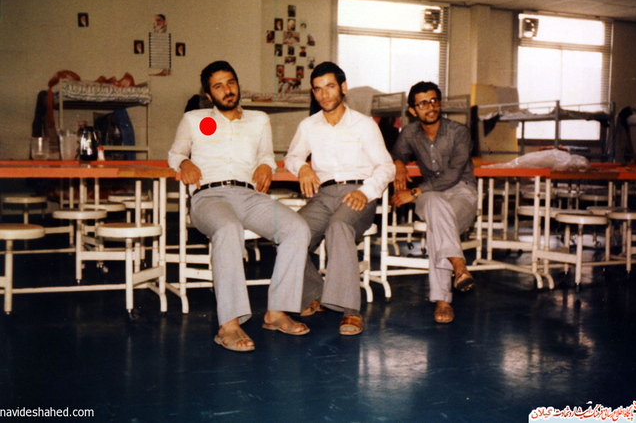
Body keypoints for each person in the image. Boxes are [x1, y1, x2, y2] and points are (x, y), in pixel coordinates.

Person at [168, 61, 311, 352]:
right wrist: (185, 162)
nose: (227, 90)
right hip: (209, 196)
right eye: (218, 86)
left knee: (297, 228)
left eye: (231, 82)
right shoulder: (194, 119)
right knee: (228, 228)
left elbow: (266, 155)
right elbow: (175, 153)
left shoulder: (259, 119)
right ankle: (229, 324)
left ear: (237, 84)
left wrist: (266, 165)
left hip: (249, 195)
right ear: (209, 94)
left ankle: (276, 312)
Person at [284, 62, 395, 336]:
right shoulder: (308, 125)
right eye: (318, 89)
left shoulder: (364, 124)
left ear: (343, 87)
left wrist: (365, 192)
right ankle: (316, 293)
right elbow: (292, 157)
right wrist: (303, 168)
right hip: (323, 195)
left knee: (339, 226)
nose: (324, 94)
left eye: (330, 86)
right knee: (289, 234)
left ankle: (350, 310)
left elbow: (386, 167)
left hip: (358, 193)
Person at [391, 81, 477, 324]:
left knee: (437, 225)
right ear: (412, 110)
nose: (430, 107)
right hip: (431, 195)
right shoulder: (409, 133)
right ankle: (459, 266)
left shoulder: (459, 132)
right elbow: (396, 153)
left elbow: (453, 174)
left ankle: (442, 301)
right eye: (422, 104)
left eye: (433, 101)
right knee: (436, 208)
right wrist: (398, 163)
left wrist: (414, 192)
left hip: (462, 191)